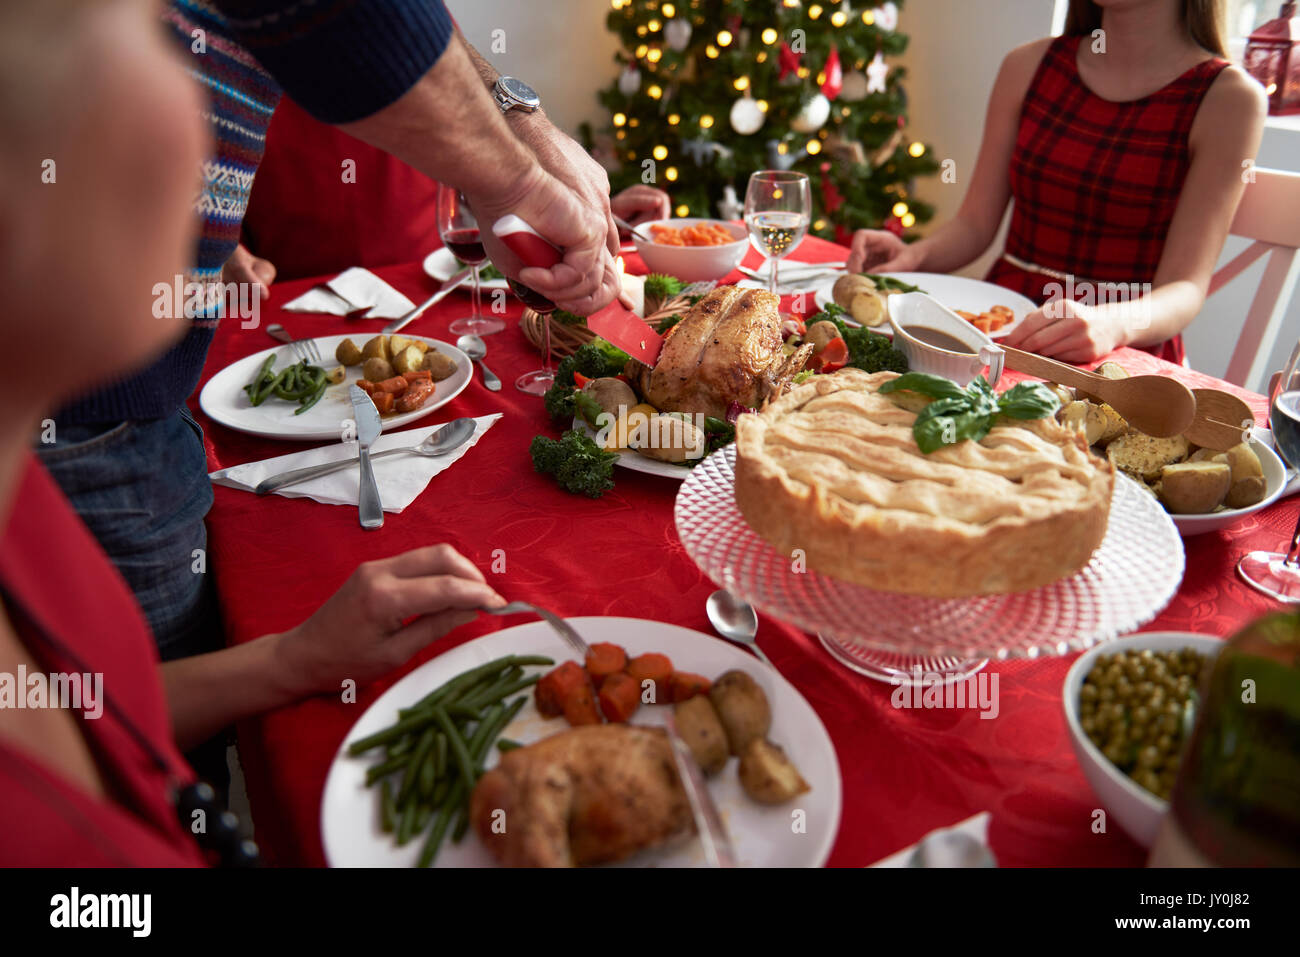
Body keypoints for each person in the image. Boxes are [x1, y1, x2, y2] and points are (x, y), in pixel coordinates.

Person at [0, 0, 511, 865]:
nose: (202, 99)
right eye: (136, 26)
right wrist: (527, 176)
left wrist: (291, 659)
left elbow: (100, 725)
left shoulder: (29, 518)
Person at [38, 0, 620, 666]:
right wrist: (518, 177)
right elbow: (351, 20)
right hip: (91, 426)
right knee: (127, 748)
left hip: (131, 407)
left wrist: (523, 125)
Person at [847, 0, 1267, 365]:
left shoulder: (1229, 97)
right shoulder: (1027, 65)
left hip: (1121, 347)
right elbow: (975, 226)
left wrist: (1110, 324)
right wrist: (913, 256)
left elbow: (1185, 289)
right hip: (1005, 324)